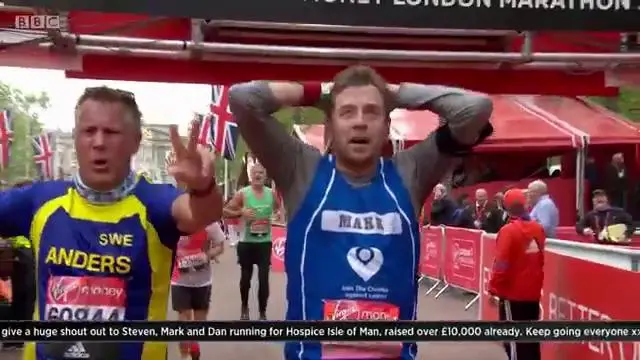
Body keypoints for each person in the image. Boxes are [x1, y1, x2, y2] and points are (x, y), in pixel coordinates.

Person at [229, 65, 493, 359]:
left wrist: (397, 94)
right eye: (347, 112)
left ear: (385, 126)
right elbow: (242, 99)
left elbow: (476, 108)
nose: (360, 122)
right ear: (330, 124)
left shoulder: (411, 173)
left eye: (371, 112)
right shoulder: (300, 169)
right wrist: (320, 92)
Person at [0, 86, 223, 360]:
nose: (99, 142)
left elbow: (201, 213)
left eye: (112, 132)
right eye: (89, 131)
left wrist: (203, 187)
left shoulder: (154, 203)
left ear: (135, 141)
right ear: (76, 137)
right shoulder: (41, 200)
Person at [489, 188, 545, 360]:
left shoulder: (508, 231)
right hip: (533, 293)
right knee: (530, 341)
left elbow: (501, 264)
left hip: (512, 294)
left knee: (513, 341)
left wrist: (493, 289)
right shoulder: (537, 228)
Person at [223, 163, 280, 320]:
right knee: (246, 278)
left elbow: (279, 211)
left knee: (263, 279)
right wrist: (241, 212)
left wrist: (276, 217)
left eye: (261, 173)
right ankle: (244, 307)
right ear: (250, 176)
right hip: (247, 242)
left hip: (264, 243)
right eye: (255, 173)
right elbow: (225, 211)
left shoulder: (272, 194)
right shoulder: (243, 194)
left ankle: (262, 313)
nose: (258, 176)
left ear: (265, 176)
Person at [171, 220, 225, 360]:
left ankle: (194, 343)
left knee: (199, 322)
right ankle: (184, 356)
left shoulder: (210, 223)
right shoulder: (175, 221)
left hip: (202, 281)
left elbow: (220, 246)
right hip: (179, 280)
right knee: (183, 320)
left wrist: (206, 256)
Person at [2, 179, 36, 351]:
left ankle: (14, 338)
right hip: (24, 256)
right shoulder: (23, 212)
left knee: (20, 298)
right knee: (27, 298)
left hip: (18, 257)